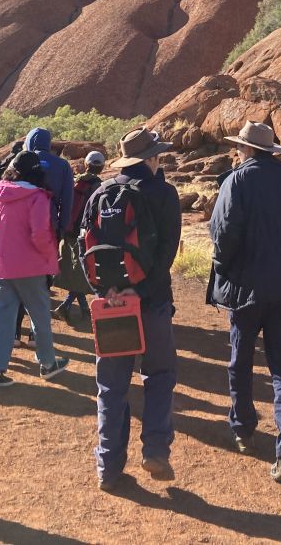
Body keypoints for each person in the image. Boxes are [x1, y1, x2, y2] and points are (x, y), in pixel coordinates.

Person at [207, 121, 281, 483]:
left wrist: (225, 270)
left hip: (245, 290)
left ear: (244, 150)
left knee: (240, 361)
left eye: (239, 148)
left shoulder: (236, 181)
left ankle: (243, 429)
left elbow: (222, 235)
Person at [82, 128, 182, 491]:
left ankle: (108, 467)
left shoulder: (101, 192)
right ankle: (155, 449)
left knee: (111, 386)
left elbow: (83, 247)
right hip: (152, 301)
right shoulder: (163, 193)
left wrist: (106, 291)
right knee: (158, 375)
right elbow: (168, 251)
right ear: (152, 158)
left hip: (111, 303)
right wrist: (143, 288)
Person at [0, 150, 71, 387]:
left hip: (1, 266)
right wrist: (50, 257)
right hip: (31, 267)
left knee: (2, 318)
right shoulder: (38, 197)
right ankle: (48, 363)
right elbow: (40, 234)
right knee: (39, 315)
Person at [54, 150, 103, 322]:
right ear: (102, 167)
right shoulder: (99, 186)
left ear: (87, 164)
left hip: (68, 230)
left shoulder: (76, 181)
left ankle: (82, 309)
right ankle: (66, 305)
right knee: (81, 272)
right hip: (84, 233)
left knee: (75, 271)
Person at [24, 127, 74, 237]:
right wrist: (61, 229)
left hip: (22, 222)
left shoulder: (20, 162)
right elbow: (67, 200)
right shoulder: (62, 165)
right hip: (49, 223)